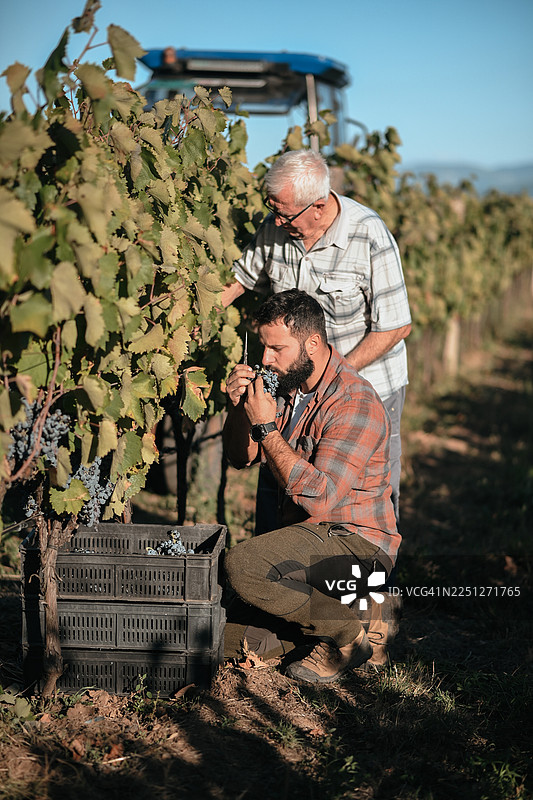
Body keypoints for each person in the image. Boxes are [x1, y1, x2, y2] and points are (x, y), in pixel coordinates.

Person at [221, 149, 412, 525]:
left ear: (319, 207)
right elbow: (241, 279)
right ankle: (274, 569)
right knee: (282, 473)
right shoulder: (277, 225)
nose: (276, 220)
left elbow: (396, 325)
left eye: (285, 213)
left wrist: (332, 378)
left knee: (362, 495)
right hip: (294, 385)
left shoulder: (368, 234)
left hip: (367, 388)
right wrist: (198, 310)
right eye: (272, 208)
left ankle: (364, 573)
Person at [223, 289, 401, 683]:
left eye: (277, 349)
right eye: (263, 347)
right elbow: (240, 458)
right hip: (305, 544)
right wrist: (240, 411)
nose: (266, 359)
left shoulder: (355, 400)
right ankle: (356, 612)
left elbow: (320, 498)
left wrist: (267, 428)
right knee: (222, 638)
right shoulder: (287, 389)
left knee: (242, 565)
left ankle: (348, 632)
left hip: (355, 542)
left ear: (313, 343)